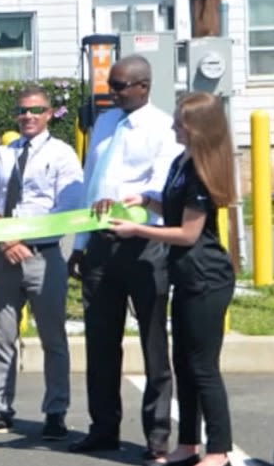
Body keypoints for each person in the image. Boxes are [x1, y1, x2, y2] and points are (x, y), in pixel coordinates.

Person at [102, 92, 238, 466]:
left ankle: (220, 450)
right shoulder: (183, 161)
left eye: (180, 122)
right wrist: (146, 202)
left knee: (203, 365)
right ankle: (189, 443)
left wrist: (137, 230)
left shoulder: (202, 172)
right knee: (183, 362)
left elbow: (188, 234)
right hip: (185, 276)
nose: (174, 126)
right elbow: (172, 209)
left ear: (196, 128)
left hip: (206, 278)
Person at [71, 54, 184, 461]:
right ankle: (103, 428)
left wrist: (132, 204)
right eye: (110, 86)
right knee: (101, 343)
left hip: (143, 245)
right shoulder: (104, 123)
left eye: (120, 87)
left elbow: (160, 187)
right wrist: (81, 244)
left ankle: (157, 436)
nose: (113, 93)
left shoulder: (162, 127)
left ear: (143, 86)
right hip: (102, 245)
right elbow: (91, 186)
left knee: (154, 342)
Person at [0, 87, 83, 441]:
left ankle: (55, 412)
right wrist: (6, 241)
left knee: (53, 339)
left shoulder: (63, 155)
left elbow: (67, 206)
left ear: (50, 113)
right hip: (4, 257)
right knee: (2, 338)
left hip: (44, 257)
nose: (29, 117)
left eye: (36, 110)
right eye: (22, 111)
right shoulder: (2, 156)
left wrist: (25, 240)